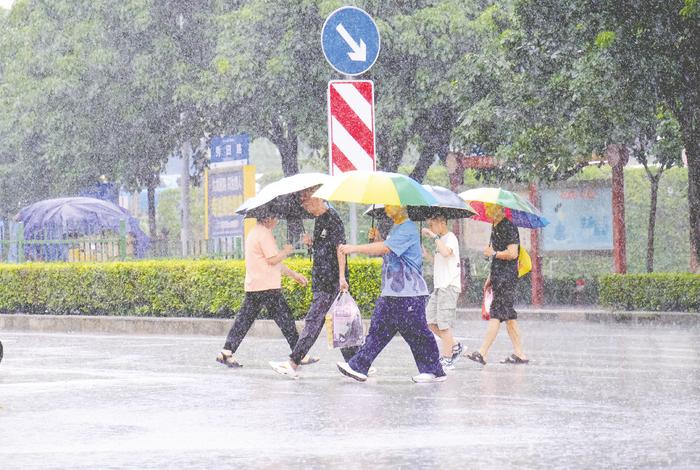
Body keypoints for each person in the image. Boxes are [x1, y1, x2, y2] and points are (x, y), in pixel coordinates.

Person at [336, 205, 446, 383]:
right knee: (378, 332)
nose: (387, 207)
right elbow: (387, 253)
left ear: (401, 207)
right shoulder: (396, 229)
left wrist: (354, 248)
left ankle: (434, 371)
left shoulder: (408, 228)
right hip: (391, 292)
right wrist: (377, 239)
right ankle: (359, 366)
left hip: (409, 293)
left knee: (418, 333)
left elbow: (386, 249)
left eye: (390, 204)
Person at [269, 188, 360, 379]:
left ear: (317, 198)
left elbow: (340, 249)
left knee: (313, 322)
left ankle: (293, 362)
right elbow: (324, 248)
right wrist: (312, 242)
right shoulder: (319, 220)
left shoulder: (333, 219)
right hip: (322, 279)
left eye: (306, 201)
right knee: (338, 324)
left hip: (331, 280)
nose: (304, 206)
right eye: (302, 202)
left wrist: (342, 277)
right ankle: (358, 363)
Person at [216, 214, 308, 368]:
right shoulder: (264, 234)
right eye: (275, 218)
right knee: (286, 320)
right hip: (267, 287)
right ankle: (299, 354)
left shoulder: (254, 232)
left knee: (243, 321)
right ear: (267, 218)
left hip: (255, 286)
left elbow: (272, 262)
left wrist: (294, 275)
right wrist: (286, 251)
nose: (277, 221)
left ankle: (226, 351)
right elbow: (273, 259)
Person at [465, 203, 529, 365]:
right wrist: (490, 276)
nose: (486, 210)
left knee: (497, 314)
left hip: (506, 278)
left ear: (499, 209)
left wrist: (493, 253)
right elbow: (497, 258)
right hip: (499, 276)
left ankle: (482, 352)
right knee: (508, 316)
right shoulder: (496, 226)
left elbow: (513, 253)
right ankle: (520, 354)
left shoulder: (509, 226)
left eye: (489, 207)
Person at [421, 214, 463, 370]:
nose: (431, 229)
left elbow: (446, 253)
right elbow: (440, 260)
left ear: (441, 223)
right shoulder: (441, 240)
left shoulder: (450, 238)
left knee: (444, 325)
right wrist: (427, 255)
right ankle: (456, 345)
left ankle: (447, 358)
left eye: (432, 225)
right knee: (430, 320)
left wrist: (433, 237)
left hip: (449, 286)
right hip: (439, 286)